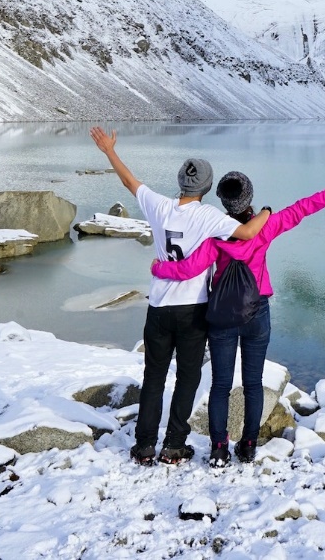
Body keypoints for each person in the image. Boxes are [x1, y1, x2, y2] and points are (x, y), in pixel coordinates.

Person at [152, 169, 325, 467]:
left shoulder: (216, 231)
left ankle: (218, 448)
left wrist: (159, 269)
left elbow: (190, 269)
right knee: (253, 383)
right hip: (257, 311)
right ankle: (249, 445)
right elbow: (302, 208)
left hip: (222, 316)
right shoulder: (266, 226)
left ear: (225, 203)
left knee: (220, 385)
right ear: (249, 198)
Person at [90, 127, 271, 467]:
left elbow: (130, 182)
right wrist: (267, 212)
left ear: (181, 181)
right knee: (188, 377)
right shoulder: (208, 216)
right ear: (206, 187)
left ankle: (144, 447)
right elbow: (247, 232)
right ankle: (174, 445)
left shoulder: (158, 205)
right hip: (192, 310)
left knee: (154, 377)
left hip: (158, 307)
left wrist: (109, 151)